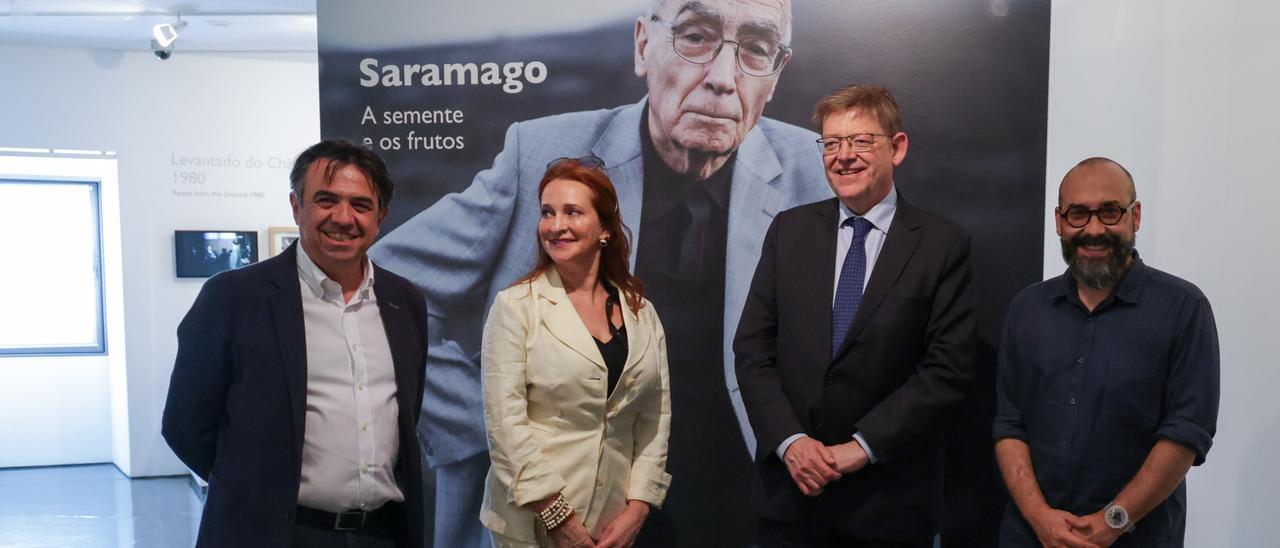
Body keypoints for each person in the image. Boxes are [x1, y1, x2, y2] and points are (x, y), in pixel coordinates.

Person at [368, 0, 826, 544]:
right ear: (642, 46)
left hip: (744, 510)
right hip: (560, 506)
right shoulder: (541, 153)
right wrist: (486, 431)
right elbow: (383, 287)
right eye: (696, 37)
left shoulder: (817, 171)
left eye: (755, 49)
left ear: (776, 74)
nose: (724, 80)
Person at [734, 84, 977, 546]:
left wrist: (860, 449)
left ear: (897, 148)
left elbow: (946, 370)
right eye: (831, 143)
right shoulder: (789, 231)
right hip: (791, 500)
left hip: (889, 505)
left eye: (861, 141)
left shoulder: (943, 246)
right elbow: (751, 350)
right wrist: (792, 443)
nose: (844, 156)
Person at [162, 140, 429, 547]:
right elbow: (185, 425)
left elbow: (406, 410)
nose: (344, 217)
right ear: (296, 206)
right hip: (273, 534)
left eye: (361, 205)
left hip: (382, 534)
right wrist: (253, 491)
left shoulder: (403, 301)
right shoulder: (233, 298)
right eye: (326, 200)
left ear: (382, 217)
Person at [993, 158, 1219, 548]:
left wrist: (1112, 522)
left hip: (1137, 538)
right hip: (1030, 537)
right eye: (1078, 214)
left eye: (1110, 212)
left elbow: (1187, 433)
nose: (1094, 230)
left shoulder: (1184, 308)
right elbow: (1010, 425)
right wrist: (1040, 518)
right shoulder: (1027, 308)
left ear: (1136, 216)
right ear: (1060, 222)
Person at [479, 158, 671, 548]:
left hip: (612, 526)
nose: (556, 225)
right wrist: (556, 517)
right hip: (531, 524)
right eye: (547, 213)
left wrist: (639, 506)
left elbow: (655, 417)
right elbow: (504, 424)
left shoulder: (641, 312)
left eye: (572, 212)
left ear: (605, 229)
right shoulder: (516, 306)